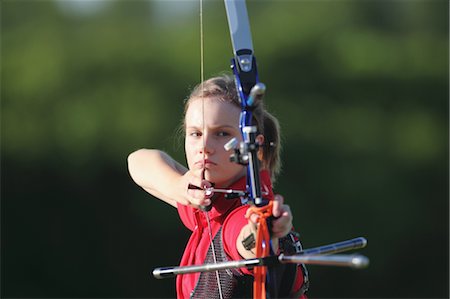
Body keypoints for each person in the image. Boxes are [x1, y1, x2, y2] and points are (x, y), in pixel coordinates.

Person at [128, 74, 308, 298]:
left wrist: (264, 231)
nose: (204, 146)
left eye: (222, 134)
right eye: (195, 133)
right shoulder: (206, 198)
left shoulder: (242, 211)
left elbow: (245, 240)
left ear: (253, 145)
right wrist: (179, 186)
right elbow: (137, 161)